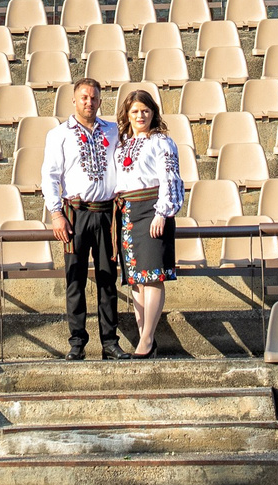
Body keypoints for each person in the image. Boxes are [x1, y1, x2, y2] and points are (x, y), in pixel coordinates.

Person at [40, 77, 121, 359]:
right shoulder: (59, 134)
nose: (89, 102)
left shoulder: (113, 130)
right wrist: (55, 214)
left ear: (100, 101)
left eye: (94, 97)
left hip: (107, 213)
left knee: (107, 279)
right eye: (84, 97)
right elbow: (50, 176)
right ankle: (77, 341)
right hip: (75, 214)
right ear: (74, 100)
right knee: (75, 279)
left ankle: (110, 341)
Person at [113, 86, 183, 357]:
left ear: (153, 113)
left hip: (152, 209)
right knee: (136, 279)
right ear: (127, 115)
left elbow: (170, 178)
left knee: (152, 277)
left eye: (145, 110)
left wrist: (162, 212)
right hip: (128, 211)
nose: (140, 115)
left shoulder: (161, 142)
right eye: (134, 111)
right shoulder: (123, 144)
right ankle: (146, 337)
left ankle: (147, 338)